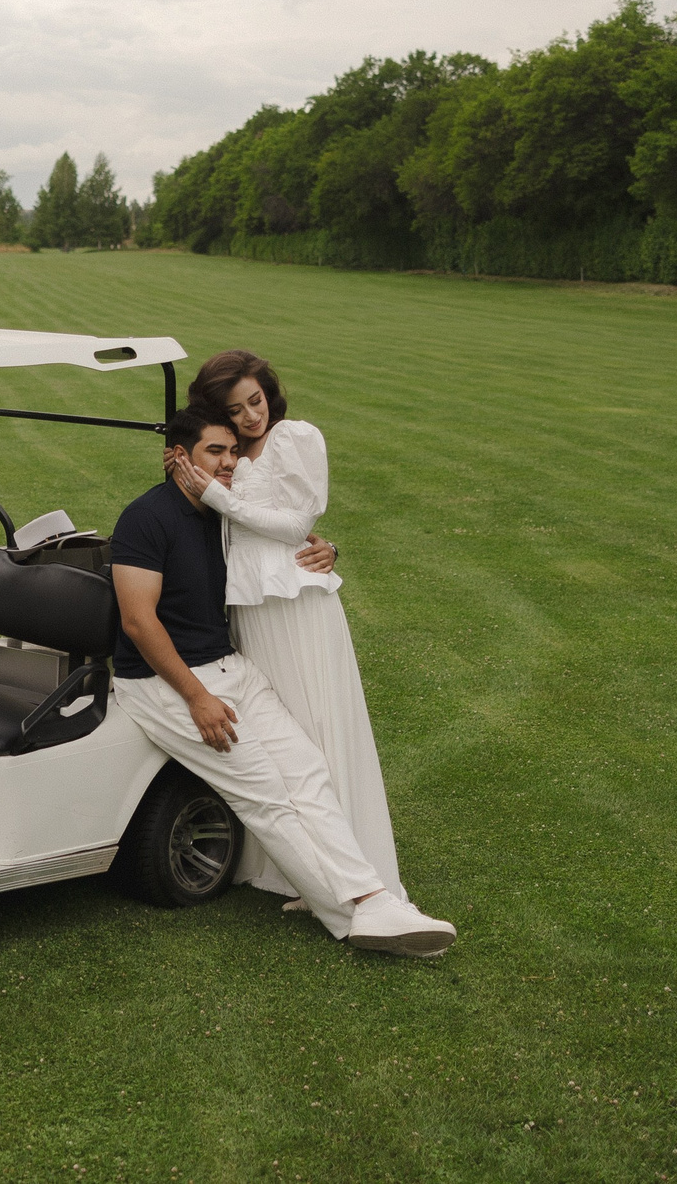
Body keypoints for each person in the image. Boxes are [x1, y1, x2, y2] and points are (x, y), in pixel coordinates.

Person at [110, 408, 455, 957]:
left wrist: (330, 549)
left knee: (308, 773)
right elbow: (137, 620)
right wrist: (197, 698)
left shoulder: (222, 513)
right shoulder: (145, 519)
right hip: (166, 683)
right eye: (212, 453)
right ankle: (358, 911)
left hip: (230, 669)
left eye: (230, 452)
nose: (228, 464)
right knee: (268, 793)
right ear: (177, 457)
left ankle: (377, 899)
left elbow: (284, 535)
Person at [168, 349, 410, 919]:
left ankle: (353, 872)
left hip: (296, 604)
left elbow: (299, 524)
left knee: (319, 726)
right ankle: (297, 864)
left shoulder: (295, 437)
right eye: (236, 408)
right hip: (250, 609)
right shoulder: (223, 453)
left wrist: (218, 495)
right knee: (281, 736)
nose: (252, 416)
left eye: (255, 401)